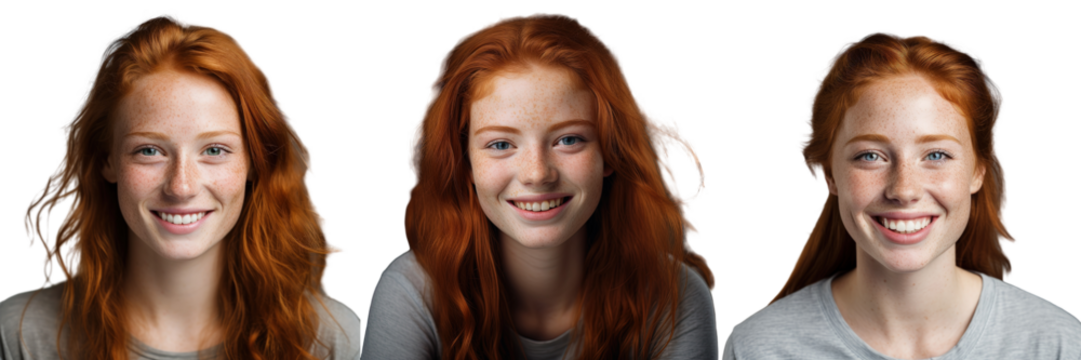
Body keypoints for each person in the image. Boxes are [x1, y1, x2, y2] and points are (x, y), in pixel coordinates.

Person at [2, 9, 360, 360]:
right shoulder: (18, 334)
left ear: (255, 161)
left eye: (215, 150)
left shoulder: (330, 339)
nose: (181, 187)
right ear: (106, 160)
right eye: (149, 150)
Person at [363, 10, 719, 360]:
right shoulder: (411, 292)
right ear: (464, 163)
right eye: (501, 144)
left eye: (569, 140)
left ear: (610, 153)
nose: (537, 174)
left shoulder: (677, 294)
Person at [721, 30, 1081, 360]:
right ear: (828, 173)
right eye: (870, 156)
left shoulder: (1056, 343)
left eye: (936, 155)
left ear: (977, 171)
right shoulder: (757, 348)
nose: (904, 190)